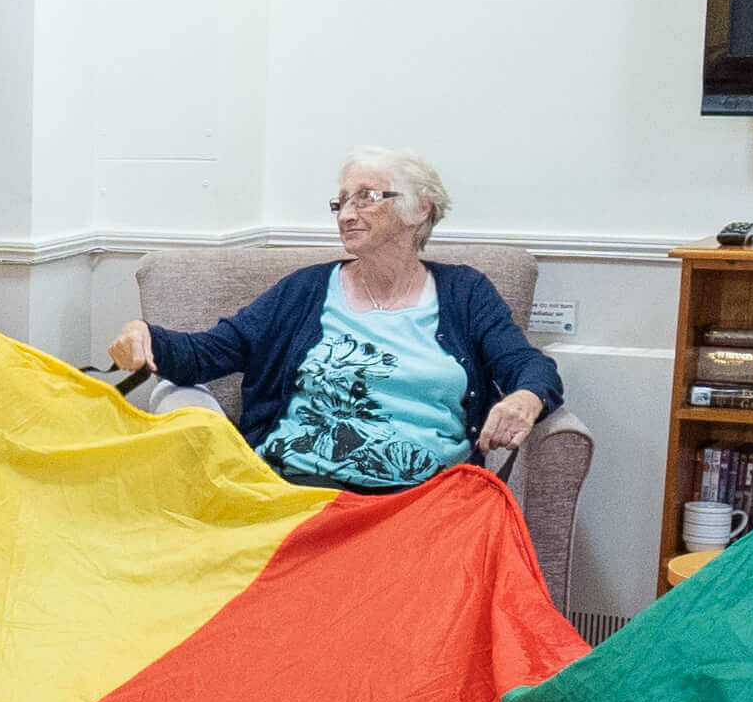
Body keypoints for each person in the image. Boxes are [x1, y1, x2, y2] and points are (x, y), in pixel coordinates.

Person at [95, 150, 561, 494]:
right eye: (341, 203)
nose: (348, 213)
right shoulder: (305, 290)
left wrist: (524, 397)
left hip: (422, 498)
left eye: (368, 197)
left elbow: (527, 364)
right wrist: (146, 335)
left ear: (420, 209)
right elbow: (214, 350)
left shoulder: (465, 292)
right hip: (295, 489)